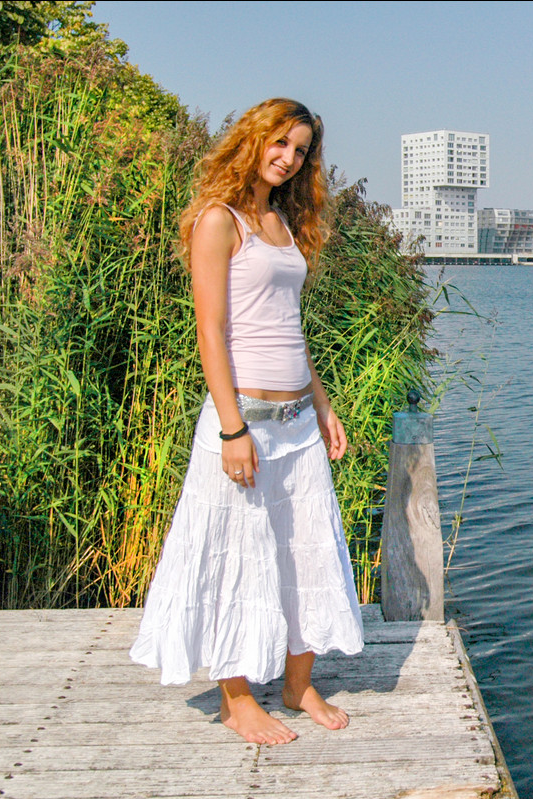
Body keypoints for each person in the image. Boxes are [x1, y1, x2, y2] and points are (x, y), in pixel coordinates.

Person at [130, 98, 363, 745]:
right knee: (237, 554)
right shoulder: (219, 220)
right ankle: (236, 700)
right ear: (255, 138)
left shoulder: (284, 225)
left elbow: (290, 330)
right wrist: (232, 428)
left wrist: (321, 402)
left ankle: (296, 684)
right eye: (281, 143)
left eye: (301, 150)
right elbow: (212, 331)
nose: (288, 158)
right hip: (246, 422)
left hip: (296, 422)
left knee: (307, 551)